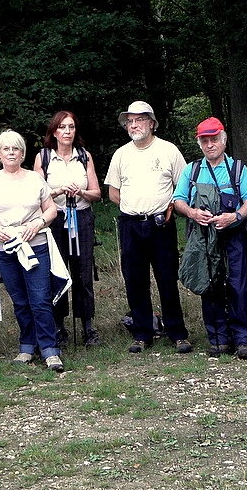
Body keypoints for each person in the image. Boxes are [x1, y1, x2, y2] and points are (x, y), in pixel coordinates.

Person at [104, 100, 192, 354]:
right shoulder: (121, 154)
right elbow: (113, 192)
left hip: (161, 224)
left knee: (167, 278)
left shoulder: (168, 150)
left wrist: (169, 208)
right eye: (129, 121)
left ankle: (177, 333)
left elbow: (183, 187)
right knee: (135, 280)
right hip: (131, 225)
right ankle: (142, 333)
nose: (134, 125)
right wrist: (135, 208)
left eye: (139, 120)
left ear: (151, 123)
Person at [0, 130, 64, 371]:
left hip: (35, 247)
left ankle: (50, 349)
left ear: (23, 153)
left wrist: (38, 223)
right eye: (6, 149)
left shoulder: (35, 179)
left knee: (40, 299)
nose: (11, 153)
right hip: (4, 248)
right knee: (20, 301)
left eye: (16, 149)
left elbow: (51, 210)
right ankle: (26, 346)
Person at [173, 117, 247, 359]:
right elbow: (178, 200)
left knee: (239, 287)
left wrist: (236, 216)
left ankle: (244, 340)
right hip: (202, 238)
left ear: (223, 139)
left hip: (234, 236)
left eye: (214, 139)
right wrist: (192, 212)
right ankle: (218, 339)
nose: (210, 145)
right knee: (210, 287)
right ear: (200, 143)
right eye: (205, 141)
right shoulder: (192, 170)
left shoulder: (238, 169)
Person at [33, 111, 102, 348]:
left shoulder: (84, 156)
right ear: (54, 131)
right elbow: (36, 194)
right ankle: (59, 326)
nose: (67, 132)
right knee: (57, 272)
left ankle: (87, 327)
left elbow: (97, 193)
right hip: (55, 220)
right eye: (62, 127)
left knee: (83, 273)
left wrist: (80, 192)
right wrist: (58, 190)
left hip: (81, 217)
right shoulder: (43, 158)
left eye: (71, 127)